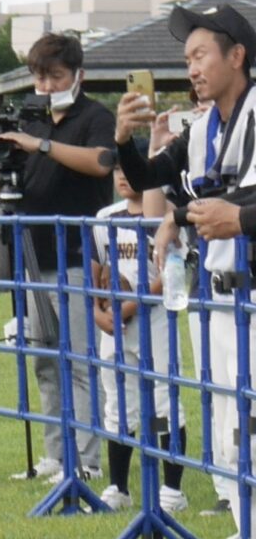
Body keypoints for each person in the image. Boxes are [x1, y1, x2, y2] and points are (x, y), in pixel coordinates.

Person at [115, 0, 256, 539]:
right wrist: (124, 139)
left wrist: (239, 218)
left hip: (251, 297)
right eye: (187, 58)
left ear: (237, 55)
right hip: (216, 299)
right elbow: (149, 175)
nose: (192, 68)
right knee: (227, 428)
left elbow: (234, 203)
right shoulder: (201, 128)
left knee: (251, 426)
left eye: (201, 55)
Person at [0, 34, 116, 481]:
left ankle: (86, 459)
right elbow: (27, 179)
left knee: (81, 361)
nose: (45, 85)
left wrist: (39, 146)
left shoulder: (94, 117)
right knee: (44, 359)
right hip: (32, 253)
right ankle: (54, 454)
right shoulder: (34, 119)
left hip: (79, 254)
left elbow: (102, 162)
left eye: (55, 75)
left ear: (77, 76)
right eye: (40, 76)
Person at [88, 175, 183, 510]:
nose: (123, 177)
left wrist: (129, 305)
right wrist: (97, 309)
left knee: (163, 402)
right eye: (117, 170)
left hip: (153, 318)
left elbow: (172, 271)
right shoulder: (105, 217)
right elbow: (95, 266)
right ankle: (119, 488)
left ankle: (172, 490)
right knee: (118, 404)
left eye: (131, 169)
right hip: (113, 322)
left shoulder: (167, 214)